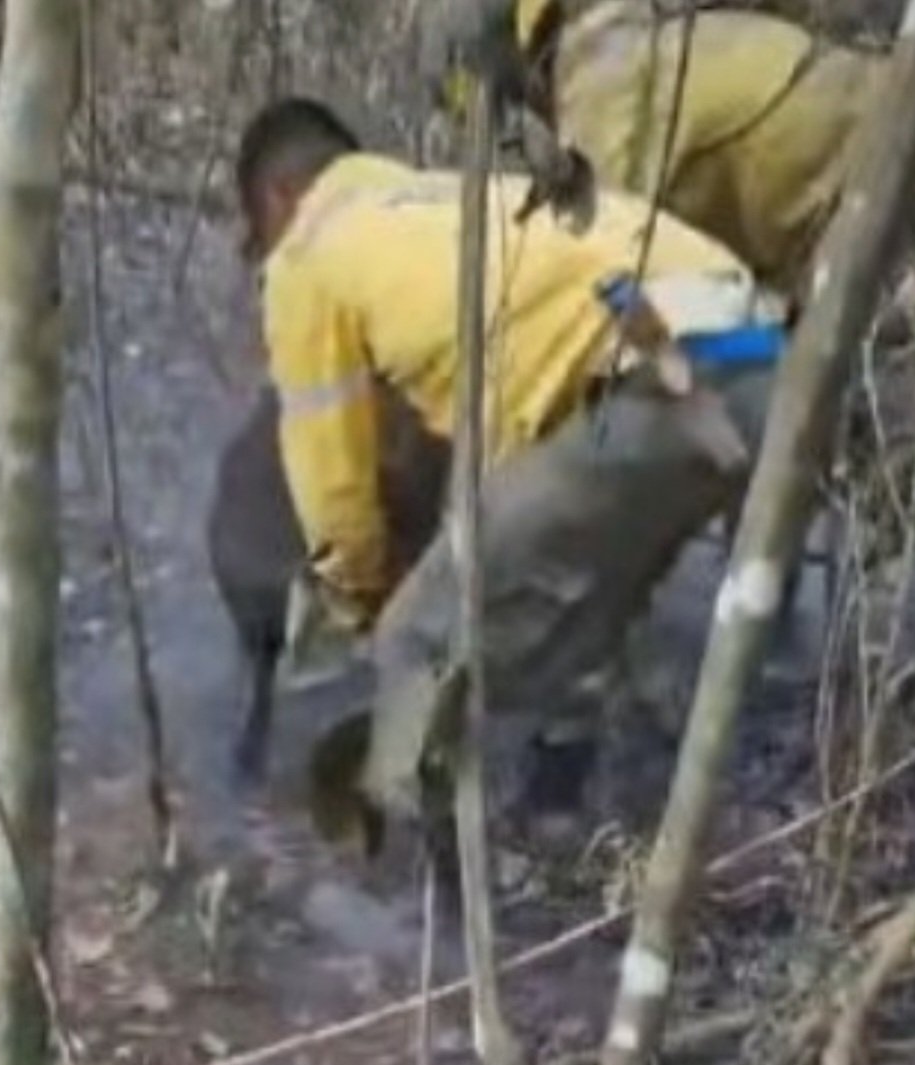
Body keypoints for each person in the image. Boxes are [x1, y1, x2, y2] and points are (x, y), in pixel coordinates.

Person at [236, 96, 785, 833]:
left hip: (653, 384)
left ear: (279, 197)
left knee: (418, 638)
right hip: (760, 359)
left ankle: (410, 863)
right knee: (569, 581)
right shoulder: (450, 200)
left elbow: (332, 486)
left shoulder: (307, 253)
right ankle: (560, 803)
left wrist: (357, 598)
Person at [421, 0, 885, 300]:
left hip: (845, 174)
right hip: (859, 107)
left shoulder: (594, 93)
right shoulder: (615, 27)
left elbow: (624, 261)